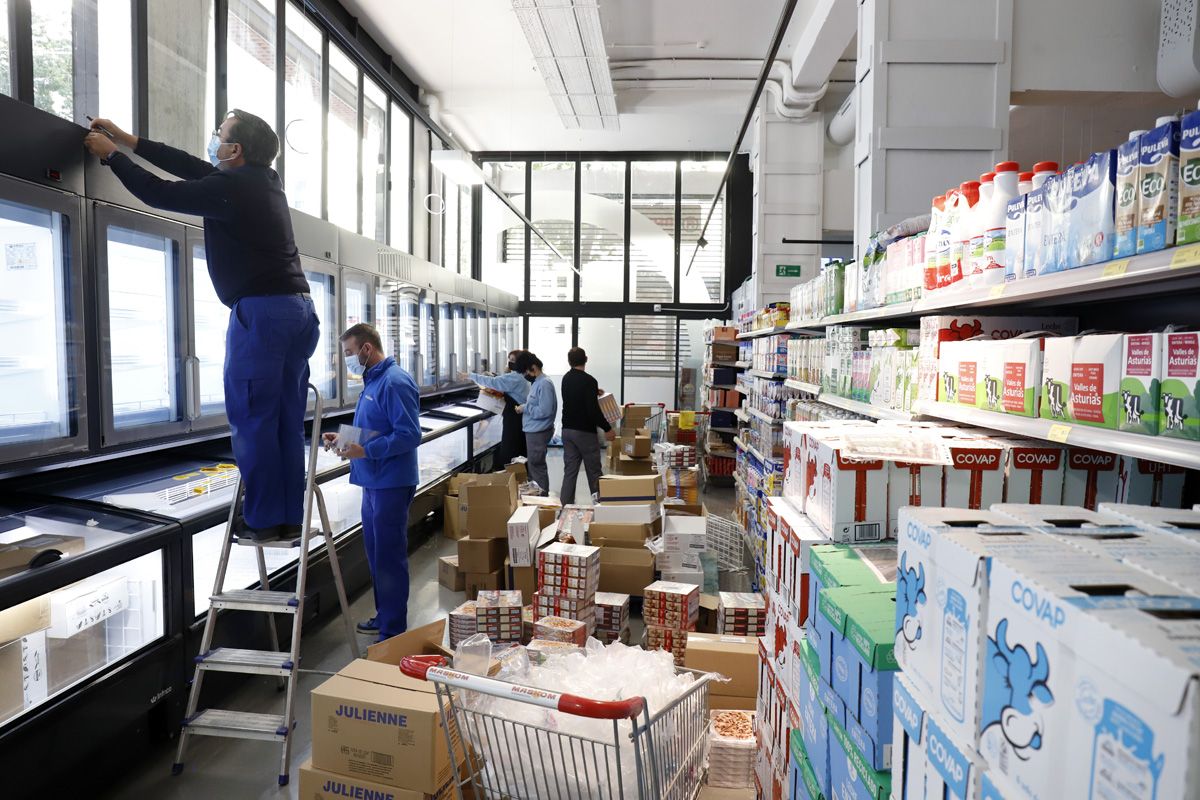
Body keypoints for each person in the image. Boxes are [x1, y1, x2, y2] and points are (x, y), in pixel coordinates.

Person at [84, 111, 316, 542]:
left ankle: (264, 522)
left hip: (263, 313)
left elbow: (158, 193)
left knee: (251, 418)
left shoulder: (233, 189)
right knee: (283, 421)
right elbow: (190, 166)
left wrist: (111, 156)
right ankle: (286, 517)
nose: (213, 142)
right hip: (297, 311)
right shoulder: (262, 181)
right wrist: (130, 140)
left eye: (219, 137)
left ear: (235, 150)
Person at [323, 324, 421, 640]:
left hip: (391, 482)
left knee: (389, 555)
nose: (348, 360)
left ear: (367, 349)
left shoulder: (394, 382)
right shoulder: (372, 382)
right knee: (377, 553)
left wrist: (365, 449)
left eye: (350, 353)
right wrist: (344, 438)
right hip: (372, 481)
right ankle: (384, 616)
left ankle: (394, 629)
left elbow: (409, 434)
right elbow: (376, 428)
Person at [559, 347, 614, 504]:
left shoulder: (566, 378)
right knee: (594, 471)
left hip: (567, 431)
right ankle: (600, 507)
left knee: (570, 471)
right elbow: (593, 411)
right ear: (586, 359)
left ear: (569, 361)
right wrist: (607, 428)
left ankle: (564, 509)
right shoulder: (589, 380)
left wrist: (593, 391)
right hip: (584, 432)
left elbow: (575, 396)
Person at [469, 350, 529, 466]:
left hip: (514, 421)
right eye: (509, 360)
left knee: (510, 452)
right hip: (517, 419)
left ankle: (511, 478)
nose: (510, 363)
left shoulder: (516, 377)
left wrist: (471, 376)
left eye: (513, 360)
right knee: (518, 452)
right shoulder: (522, 376)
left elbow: (494, 382)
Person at [517, 355, 557, 495]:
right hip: (533, 430)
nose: (525, 375)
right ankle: (537, 498)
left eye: (526, 372)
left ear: (533, 368)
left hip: (538, 432)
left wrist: (525, 408)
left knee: (537, 467)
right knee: (534, 467)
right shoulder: (537, 383)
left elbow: (545, 410)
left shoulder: (544, 383)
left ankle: (542, 500)